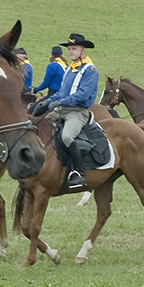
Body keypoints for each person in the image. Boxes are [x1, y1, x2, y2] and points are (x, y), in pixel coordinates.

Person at [34, 32, 99, 189]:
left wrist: (59, 102)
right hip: (62, 109)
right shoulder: (70, 68)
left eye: (74, 49)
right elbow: (62, 92)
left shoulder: (90, 70)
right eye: (69, 49)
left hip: (78, 112)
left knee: (67, 137)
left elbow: (82, 94)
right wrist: (47, 101)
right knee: (38, 124)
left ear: (83, 50)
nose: (71, 52)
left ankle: (78, 172)